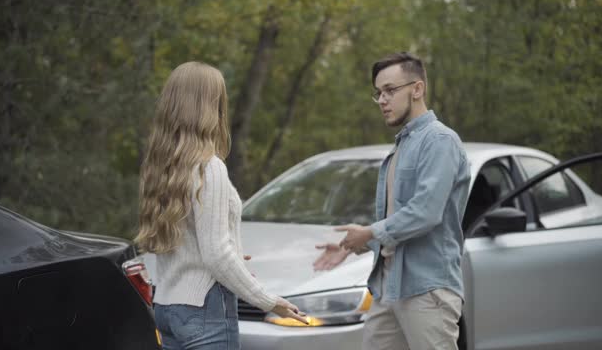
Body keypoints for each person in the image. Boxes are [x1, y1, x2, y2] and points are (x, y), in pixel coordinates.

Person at [135, 61, 307, 350]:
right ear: (208, 107)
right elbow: (215, 254)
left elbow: (191, 244)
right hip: (205, 308)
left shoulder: (161, 167)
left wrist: (234, 256)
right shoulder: (209, 167)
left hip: (166, 306)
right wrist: (269, 301)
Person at [314, 52, 471, 350]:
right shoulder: (401, 146)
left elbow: (425, 212)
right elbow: (398, 223)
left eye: (390, 90)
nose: (382, 100)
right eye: (378, 93)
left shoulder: (440, 140)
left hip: (428, 290)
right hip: (389, 288)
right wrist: (354, 244)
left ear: (417, 89)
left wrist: (371, 232)